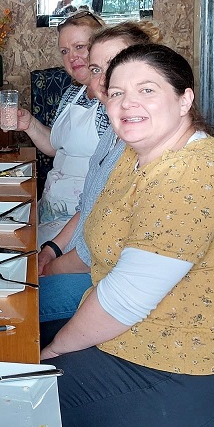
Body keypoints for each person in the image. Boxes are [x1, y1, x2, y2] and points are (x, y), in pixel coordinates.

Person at [41, 44, 214, 427]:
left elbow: (123, 300)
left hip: (186, 372)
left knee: (6, 403)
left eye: (147, 90)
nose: (127, 103)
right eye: (116, 93)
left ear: (184, 98)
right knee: (4, 346)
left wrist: (53, 349)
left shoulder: (191, 174)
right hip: (132, 339)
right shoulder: (135, 156)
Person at [37, 20, 163, 324]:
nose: (106, 79)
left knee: (21, 303)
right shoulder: (112, 135)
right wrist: (51, 250)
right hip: (75, 244)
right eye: (97, 69)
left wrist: (53, 265)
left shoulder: (140, 142)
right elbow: (89, 207)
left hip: (110, 280)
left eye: (115, 64)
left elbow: (101, 250)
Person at [3, 10, 107, 243]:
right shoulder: (73, 92)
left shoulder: (111, 99)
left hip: (81, 221)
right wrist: (28, 123)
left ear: (102, 46)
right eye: (65, 51)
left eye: (80, 46)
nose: (72, 57)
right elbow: (56, 146)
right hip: (50, 209)